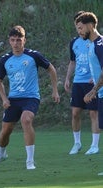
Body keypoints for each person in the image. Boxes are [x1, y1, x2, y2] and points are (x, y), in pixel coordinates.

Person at [0, 25, 60, 170]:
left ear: (24, 40)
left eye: (19, 40)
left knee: (26, 120)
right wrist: (4, 99)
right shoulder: (5, 60)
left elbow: (51, 68)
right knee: (5, 131)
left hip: (31, 97)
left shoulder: (34, 56)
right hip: (13, 99)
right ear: (9, 41)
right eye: (13, 40)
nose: (16, 43)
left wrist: (55, 90)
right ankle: (1, 155)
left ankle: (29, 161)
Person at [64, 11, 100, 155]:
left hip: (92, 82)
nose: (79, 30)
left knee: (93, 113)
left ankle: (94, 145)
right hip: (78, 82)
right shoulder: (74, 43)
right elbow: (72, 62)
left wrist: (96, 77)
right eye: (76, 26)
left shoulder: (95, 41)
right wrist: (67, 78)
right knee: (75, 113)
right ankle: (77, 143)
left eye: (81, 26)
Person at [76, 12, 103, 175]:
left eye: (80, 28)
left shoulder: (99, 44)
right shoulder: (94, 44)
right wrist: (95, 80)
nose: (79, 32)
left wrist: (93, 90)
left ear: (90, 25)